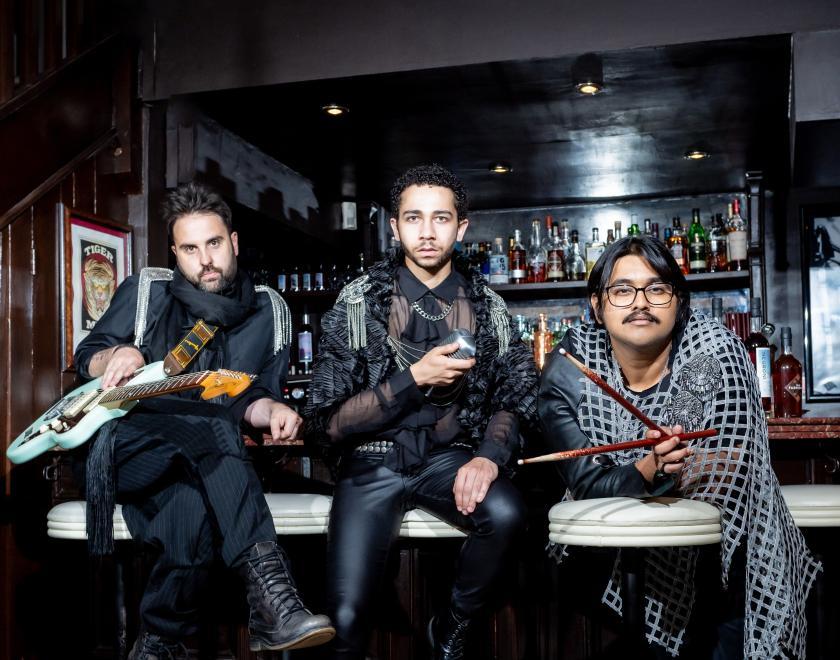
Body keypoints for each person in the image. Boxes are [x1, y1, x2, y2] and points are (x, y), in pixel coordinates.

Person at [74, 182, 335, 659]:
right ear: (176, 253)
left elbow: (247, 398)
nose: (205, 259)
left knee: (191, 516)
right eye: (190, 248)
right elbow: (85, 356)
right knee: (211, 424)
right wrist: (119, 352)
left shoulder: (268, 311)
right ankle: (273, 605)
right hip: (127, 447)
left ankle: (156, 643)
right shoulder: (146, 291)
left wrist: (271, 409)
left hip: (201, 463)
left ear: (233, 242)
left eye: (213, 243)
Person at [537, 235, 819, 658]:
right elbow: (586, 481)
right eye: (622, 290)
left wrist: (646, 470)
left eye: (657, 288)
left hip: (721, 548)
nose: (640, 302)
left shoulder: (713, 350)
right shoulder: (568, 368)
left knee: (721, 548)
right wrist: (649, 469)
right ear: (597, 305)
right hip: (609, 551)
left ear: (679, 301)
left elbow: (726, 474)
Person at [305, 164, 538, 660]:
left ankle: (449, 625)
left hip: (447, 458)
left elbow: (514, 392)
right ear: (394, 227)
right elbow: (329, 419)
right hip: (371, 463)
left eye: (440, 219)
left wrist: (490, 456)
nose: (427, 232)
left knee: (509, 512)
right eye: (413, 218)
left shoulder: (488, 306)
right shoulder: (359, 302)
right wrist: (414, 380)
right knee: (345, 623)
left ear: (462, 227)